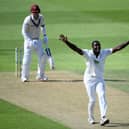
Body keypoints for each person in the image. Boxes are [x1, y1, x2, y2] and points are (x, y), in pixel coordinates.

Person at [59, 34, 129, 126]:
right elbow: (76, 49)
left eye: (98, 45)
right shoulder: (88, 53)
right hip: (89, 80)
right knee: (92, 100)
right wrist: (66, 42)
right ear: (92, 47)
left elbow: (117, 48)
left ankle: (103, 117)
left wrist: (128, 42)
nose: (97, 47)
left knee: (102, 95)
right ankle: (90, 118)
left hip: (100, 79)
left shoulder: (104, 52)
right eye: (95, 45)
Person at [21, 4, 49, 82]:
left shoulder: (41, 17)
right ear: (31, 12)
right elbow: (23, 32)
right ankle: (24, 77)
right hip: (28, 42)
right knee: (27, 60)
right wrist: (29, 40)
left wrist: (45, 35)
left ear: (38, 12)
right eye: (34, 12)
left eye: (36, 12)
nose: (35, 14)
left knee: (43, 57)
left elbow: (43, 27)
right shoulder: (27, 19)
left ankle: (40, 75)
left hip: (38, 40)